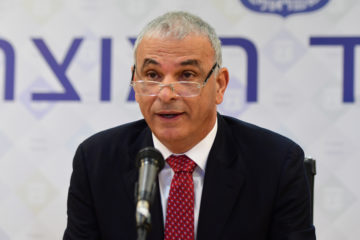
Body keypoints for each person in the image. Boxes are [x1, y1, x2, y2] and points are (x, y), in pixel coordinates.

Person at [64, 11, 316, 240]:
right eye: (152, 75)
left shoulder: (275, 163)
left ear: (219, 85)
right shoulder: (96, 161)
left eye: (186, 76)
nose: (166, 94)